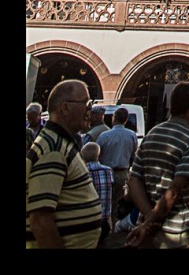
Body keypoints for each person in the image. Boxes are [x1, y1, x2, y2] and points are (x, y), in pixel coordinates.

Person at [26, 79, 103, 249]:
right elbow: (40, 220)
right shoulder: (54, 149)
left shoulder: (61, 143)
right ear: (66, 107)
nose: (90, 110)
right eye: (86, 103)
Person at [125, 81, 189, 249]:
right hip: (173, 229)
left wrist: (147, 216)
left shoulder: (152, 133)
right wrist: (151, 221)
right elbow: (175, 189)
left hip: (144, 225)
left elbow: (134, 179)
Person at [96, 105, 139, 225]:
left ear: (113, 118)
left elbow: (96, 154)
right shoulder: (132, 135)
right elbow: (133, 155)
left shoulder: (104, 135)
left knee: (103, 202)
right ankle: (114, 227)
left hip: (106, 172)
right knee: (118, 203)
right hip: (123, 172)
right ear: (125, 120)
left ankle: (104, 225)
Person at [81, 141, 114, 243]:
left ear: (82, 157)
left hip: (88, 223)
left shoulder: (82, 172)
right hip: (104, 222)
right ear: (98, 155)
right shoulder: (108, 171)